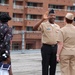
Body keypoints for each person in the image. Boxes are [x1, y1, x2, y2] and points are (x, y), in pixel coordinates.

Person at [33, 9, 60, 75]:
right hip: (46, 47)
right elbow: (34, 28)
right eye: (51, 15)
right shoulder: (44, 25)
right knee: (45, 65)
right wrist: (42, 19)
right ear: (48, 16)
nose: (53, 17)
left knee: (53, 66)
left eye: (54, 15)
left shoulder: (57, 26)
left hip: (55, 48)